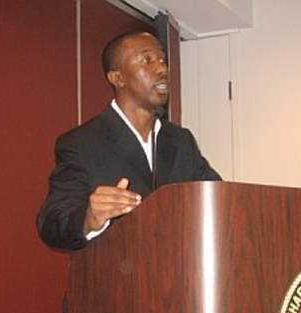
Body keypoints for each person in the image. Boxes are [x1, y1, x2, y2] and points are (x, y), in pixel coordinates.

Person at [37, 31, 220, 250]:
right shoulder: (81, 143)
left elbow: (219, 200)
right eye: (147, 60)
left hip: (181, 270)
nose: (162, 69)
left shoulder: (181, 141)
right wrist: (88, 219)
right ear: (118, 78)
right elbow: (51, 224)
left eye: (162, 60)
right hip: (117, 270)